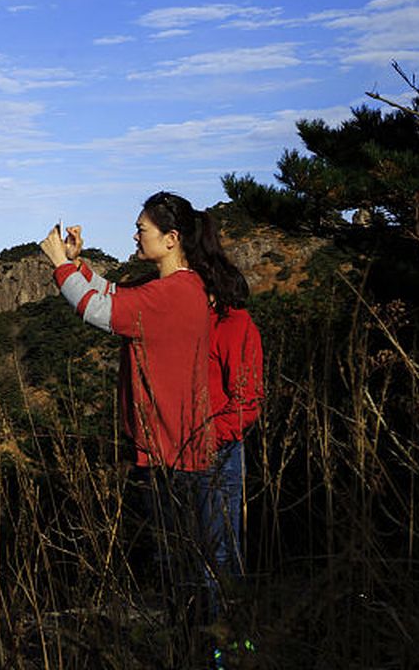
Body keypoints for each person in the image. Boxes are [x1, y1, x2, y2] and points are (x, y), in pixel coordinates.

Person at [39, 191, 247, 623]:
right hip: (176, 449)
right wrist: (79, 266)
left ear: (171, 238)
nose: (135, 235)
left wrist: (60, 265)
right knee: (187, 565)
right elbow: (118, 294)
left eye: (141, 229)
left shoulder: (173, 294)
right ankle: (207, 642)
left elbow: (96, 308)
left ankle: (204, 646)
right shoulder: (180, 288)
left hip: (173, 453)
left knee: (183, 569)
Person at [205, 274, 263, 602]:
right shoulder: (209, 323)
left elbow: (248, 401)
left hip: (219, 450)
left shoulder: (236, 325)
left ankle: (228, 639)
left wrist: (209, 439)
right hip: (199, 449)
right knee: (207, 546)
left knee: (220, 548)